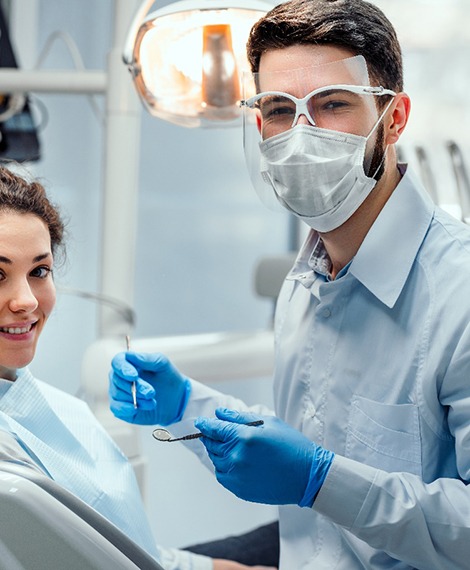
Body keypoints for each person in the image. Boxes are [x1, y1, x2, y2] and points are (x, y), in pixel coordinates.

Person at [108, 0, 470, 568]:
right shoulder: (304, 282)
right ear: (258, 124)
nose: (301, 134)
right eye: (279, 108)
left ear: (394, 118)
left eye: (332, 105)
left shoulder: (460, 295)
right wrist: (185, 406)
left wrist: (321, 480)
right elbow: (310, 441)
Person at [0, 166, 273, 570]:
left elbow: (124, 545)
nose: (26, 301)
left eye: (39, 271)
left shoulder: (42, 402)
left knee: (292, 538)